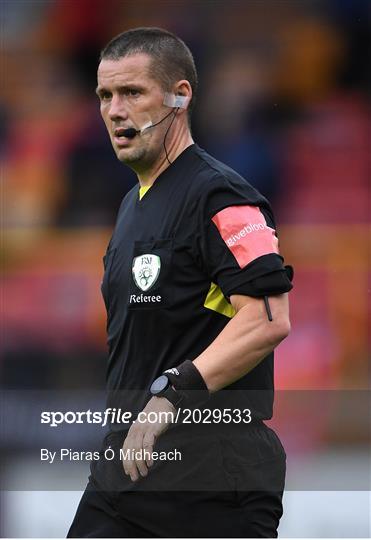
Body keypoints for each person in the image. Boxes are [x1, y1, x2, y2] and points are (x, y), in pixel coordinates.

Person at [67, 27, 293, 538]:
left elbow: (268, 319)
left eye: (132, 93)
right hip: (125, 474)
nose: (114, 110)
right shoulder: (131, 205)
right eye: (105, 95)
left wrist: (171, 393)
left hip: (210, 480)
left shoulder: (223, 197)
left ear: (179, 96)